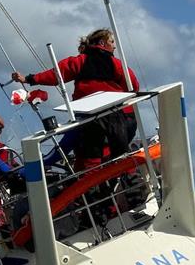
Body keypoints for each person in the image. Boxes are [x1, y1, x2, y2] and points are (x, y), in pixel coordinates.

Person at [12, 28, 139, 169]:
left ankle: (93, 185)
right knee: (121, 156)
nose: (114, 45)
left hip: (89, 118)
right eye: (112, 41)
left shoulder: (80, 61)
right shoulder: (117, 64)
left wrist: (29, 79)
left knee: (90, 160)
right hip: (119, 117)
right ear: (102, 43)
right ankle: (126, 177)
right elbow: (133, 85)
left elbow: (56, 75)